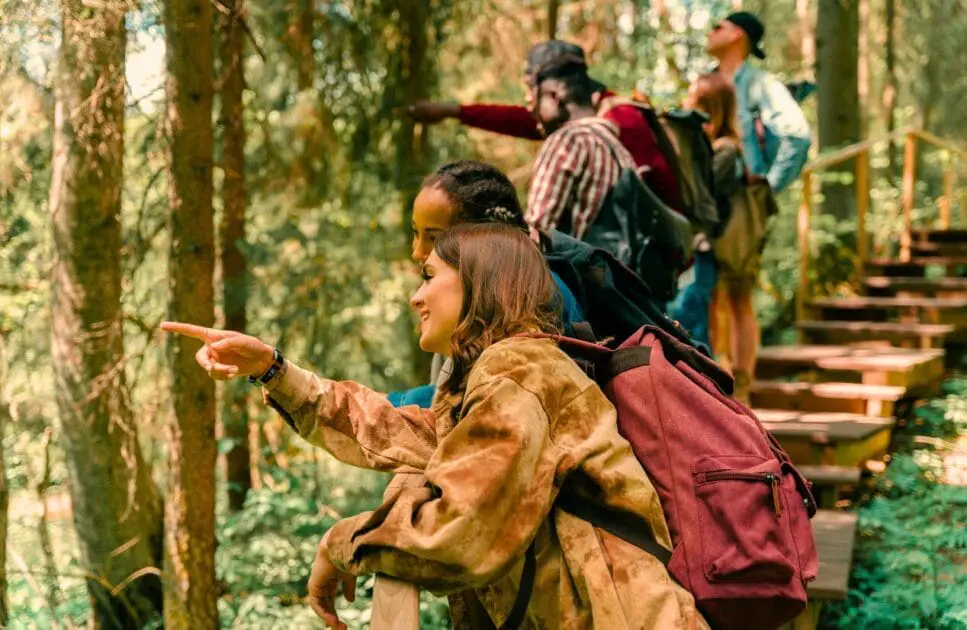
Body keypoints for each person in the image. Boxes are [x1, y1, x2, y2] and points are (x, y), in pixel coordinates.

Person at [161, 223, 707, 629]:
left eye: (430, 276)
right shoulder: (498, 380)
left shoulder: (521, 372)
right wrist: (271, 369)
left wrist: (340, 543)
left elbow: (452, 533)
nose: (415, 295)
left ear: (480, 282)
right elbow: (382, 427)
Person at [389, 159, 584, 409]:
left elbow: (481, 396)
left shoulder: (529, 296)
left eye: (435, 237)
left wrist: (388, 404)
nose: (417, 251)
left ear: (483, 236)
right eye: (416, 233)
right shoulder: (478, 294)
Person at [406, 40, 683, 211]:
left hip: (659, 262)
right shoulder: (587, 121)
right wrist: (454, 111)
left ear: (556, 93)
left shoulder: (620, 120)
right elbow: (519, 120)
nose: (530, 104)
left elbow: (653, 191)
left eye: (532, 92)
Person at [681, 73, 758, 402]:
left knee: (736, 303)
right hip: (714, 243)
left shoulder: (726, 151)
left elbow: (706, 193)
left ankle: (740, 383)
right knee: (715, 305)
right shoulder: (714, 147)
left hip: (725, 241)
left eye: (695, 100)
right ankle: (723, 376)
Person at [523, 52, 638, 243]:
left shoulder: (568, 141)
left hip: (574, 271)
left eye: (535, 100)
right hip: (612, 270)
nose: (531, 110)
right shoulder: (619, 149)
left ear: (555, 97)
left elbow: (536, 233)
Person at [706, 11, 811, 194]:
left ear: (737, 34)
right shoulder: (703, 85)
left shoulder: (762, 84)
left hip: (739, 204)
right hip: (699, 204)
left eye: (718, 28)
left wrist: (766, 191)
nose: (710, 33)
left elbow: (798, 136)